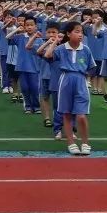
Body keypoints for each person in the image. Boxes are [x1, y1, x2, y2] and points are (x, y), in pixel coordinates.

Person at [42, 20, 96, 155]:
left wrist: (87, 79)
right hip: (65, 79)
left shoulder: (86, 49)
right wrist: (55, 41)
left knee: (81, 115)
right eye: (76, 31)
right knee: (66, 113)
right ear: (68, 33)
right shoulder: (61, 48)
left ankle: (85, 142)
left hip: (80, 80)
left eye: (81, 32)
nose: (80, 35)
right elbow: (47, 55)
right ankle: (71, 142)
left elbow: (92, 67)